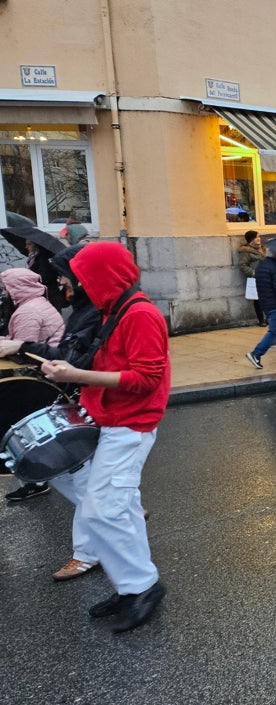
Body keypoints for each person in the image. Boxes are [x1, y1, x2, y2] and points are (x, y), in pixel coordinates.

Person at [39, 241, 169, 633]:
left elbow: (146, 379)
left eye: (80, 277)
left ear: (102, 277)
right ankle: (133, 586)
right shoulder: (115, 309)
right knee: (120, 508)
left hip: (130, 425)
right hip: (113, 420)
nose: (72, 283)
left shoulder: (140, 314)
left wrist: (76, 376)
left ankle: (142, 586)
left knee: (102, 511)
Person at [2, 246, 100, 506]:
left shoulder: (28, 311)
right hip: (65, 383)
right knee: (87, 486)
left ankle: (121, 508)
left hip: (54, 383)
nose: (58, 280)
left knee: (86, 483)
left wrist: (19, 347)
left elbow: (27, 349)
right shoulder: (40, 305)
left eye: (64, 274)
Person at [0, 267, 65, 349]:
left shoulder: (27, 313)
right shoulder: (38, 301)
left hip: (43, 360)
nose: (3, 293)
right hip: (51, 355)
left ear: (16, 289)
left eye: (6, 289)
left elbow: (20, 349)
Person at [237, 230, 266, 326]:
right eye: (256, 237)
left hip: (266, 276)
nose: (258, 239)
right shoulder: (246, 251)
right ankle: (261, 320)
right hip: (256, 278)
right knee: (258, 299)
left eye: (259, 236)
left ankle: (269, 318)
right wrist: (253, 272)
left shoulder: (263, 249)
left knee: (268, 297)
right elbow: (242, 265)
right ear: (251, 240)